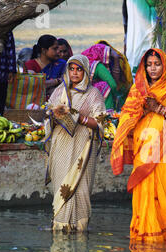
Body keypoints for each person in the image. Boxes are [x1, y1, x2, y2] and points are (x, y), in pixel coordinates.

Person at [110, 48, 166, 243]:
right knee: (144, 192)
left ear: (165, 65)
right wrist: (140, 110)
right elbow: (127, 118)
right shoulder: (138, 89)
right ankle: (143, 241)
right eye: (149, 65)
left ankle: (163, 242)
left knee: (165, 196)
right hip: (144, 147)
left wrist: (160, 109)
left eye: (157, 64)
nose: (153, 68)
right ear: (144, 67)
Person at [44, 54, 107, 232]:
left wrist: (78, 117)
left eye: (79, 69)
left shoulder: (93, 94)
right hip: (61, 148)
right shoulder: (59, 91)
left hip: (82, 149)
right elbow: (48, 113)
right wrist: (53, 115)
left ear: (86, 72)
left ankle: (79, 231)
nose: (74, 73)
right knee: (61, 187)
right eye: (71, 69)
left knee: (81, 190)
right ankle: (60, 227)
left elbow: (100, 123)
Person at [82, 42, 132, 110]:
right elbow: (113, 84)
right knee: (104, 86)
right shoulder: (97, 66)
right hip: (91, 100)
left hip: (81, 100)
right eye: (108, 54)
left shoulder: (83, 60)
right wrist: (117, 97)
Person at [25, 34, 66, 100]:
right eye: (55, 49)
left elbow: (66, 82)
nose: (58, 51)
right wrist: (57, 81)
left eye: (58, 48)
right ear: (44, 50)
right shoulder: (31, 65)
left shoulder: (61, 64)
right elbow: (33, 86)